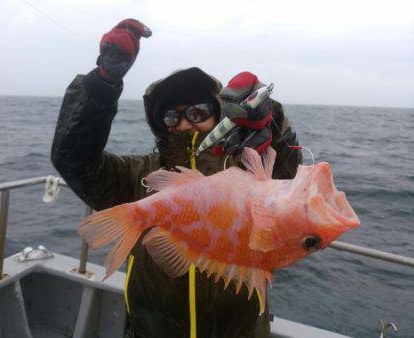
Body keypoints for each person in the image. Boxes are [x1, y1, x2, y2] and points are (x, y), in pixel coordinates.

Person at [51, 19, 302, 338]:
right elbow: (73, 160)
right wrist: (100, 86)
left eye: (197, 112)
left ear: (218, 114)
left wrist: (272, 122)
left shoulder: (247, 172)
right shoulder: (140, 178)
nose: (184, 124)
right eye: (171, 116)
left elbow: (290, 182)